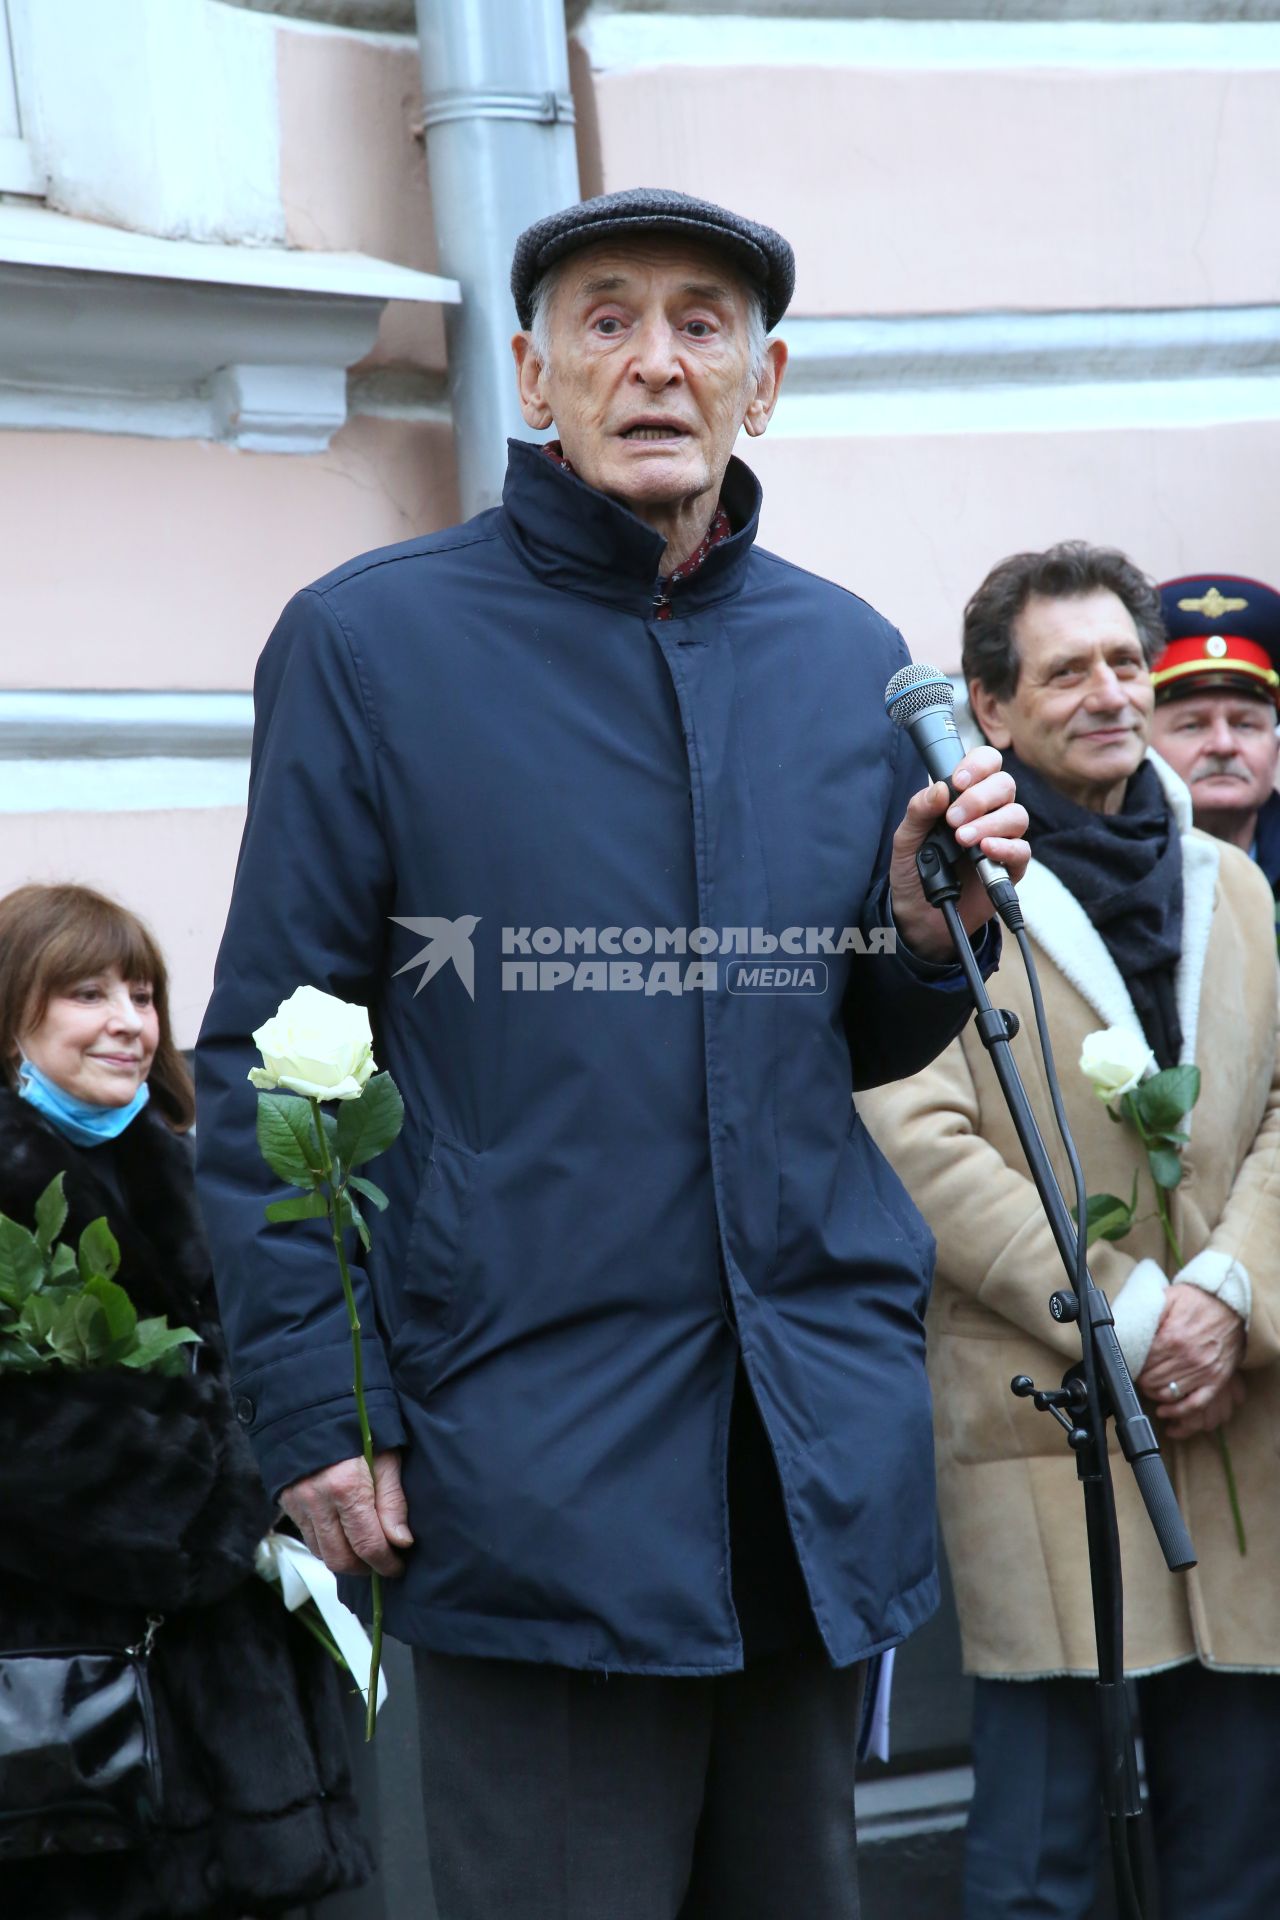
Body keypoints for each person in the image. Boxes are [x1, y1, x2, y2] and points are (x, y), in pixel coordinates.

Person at [194, 186, 1028, 1920]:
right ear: (530, 372)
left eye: (702, 324)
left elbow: (855, 1034)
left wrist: (926, 938)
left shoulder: (844, 658)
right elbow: (280, 1063)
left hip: (798, 1467)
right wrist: (312, 1411)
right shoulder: (371, 643)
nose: (656, 360)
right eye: (606, 319)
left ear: (765, 381)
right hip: (526, 1465)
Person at [860, 542, 1280, 1920]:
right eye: (1066, 671)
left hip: (1240, 1423)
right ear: (987, 705)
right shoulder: (940, 883)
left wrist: (1230, 1291)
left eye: (1121, 661)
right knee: (1038, 1866)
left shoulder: (1236, 886)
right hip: (1056, 1432)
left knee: (1239, 1856)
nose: (1110, 692)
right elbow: (921, 1142)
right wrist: (1141, 1316)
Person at [0, 883, 370, 1919]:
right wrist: (252, 1489)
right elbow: (41, 1452)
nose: (128, 1020)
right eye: (85, 992)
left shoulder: (192, 1168)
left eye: (143, 992)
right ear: (10, 1014)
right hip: (73, 1737)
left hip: (234, 1726)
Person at [1148, 574, 1280, 909]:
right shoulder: (1114, 872)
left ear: (1275, 746)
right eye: (1193, 726)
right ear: (1143, 746)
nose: (1223, 745)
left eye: (1245, 725)